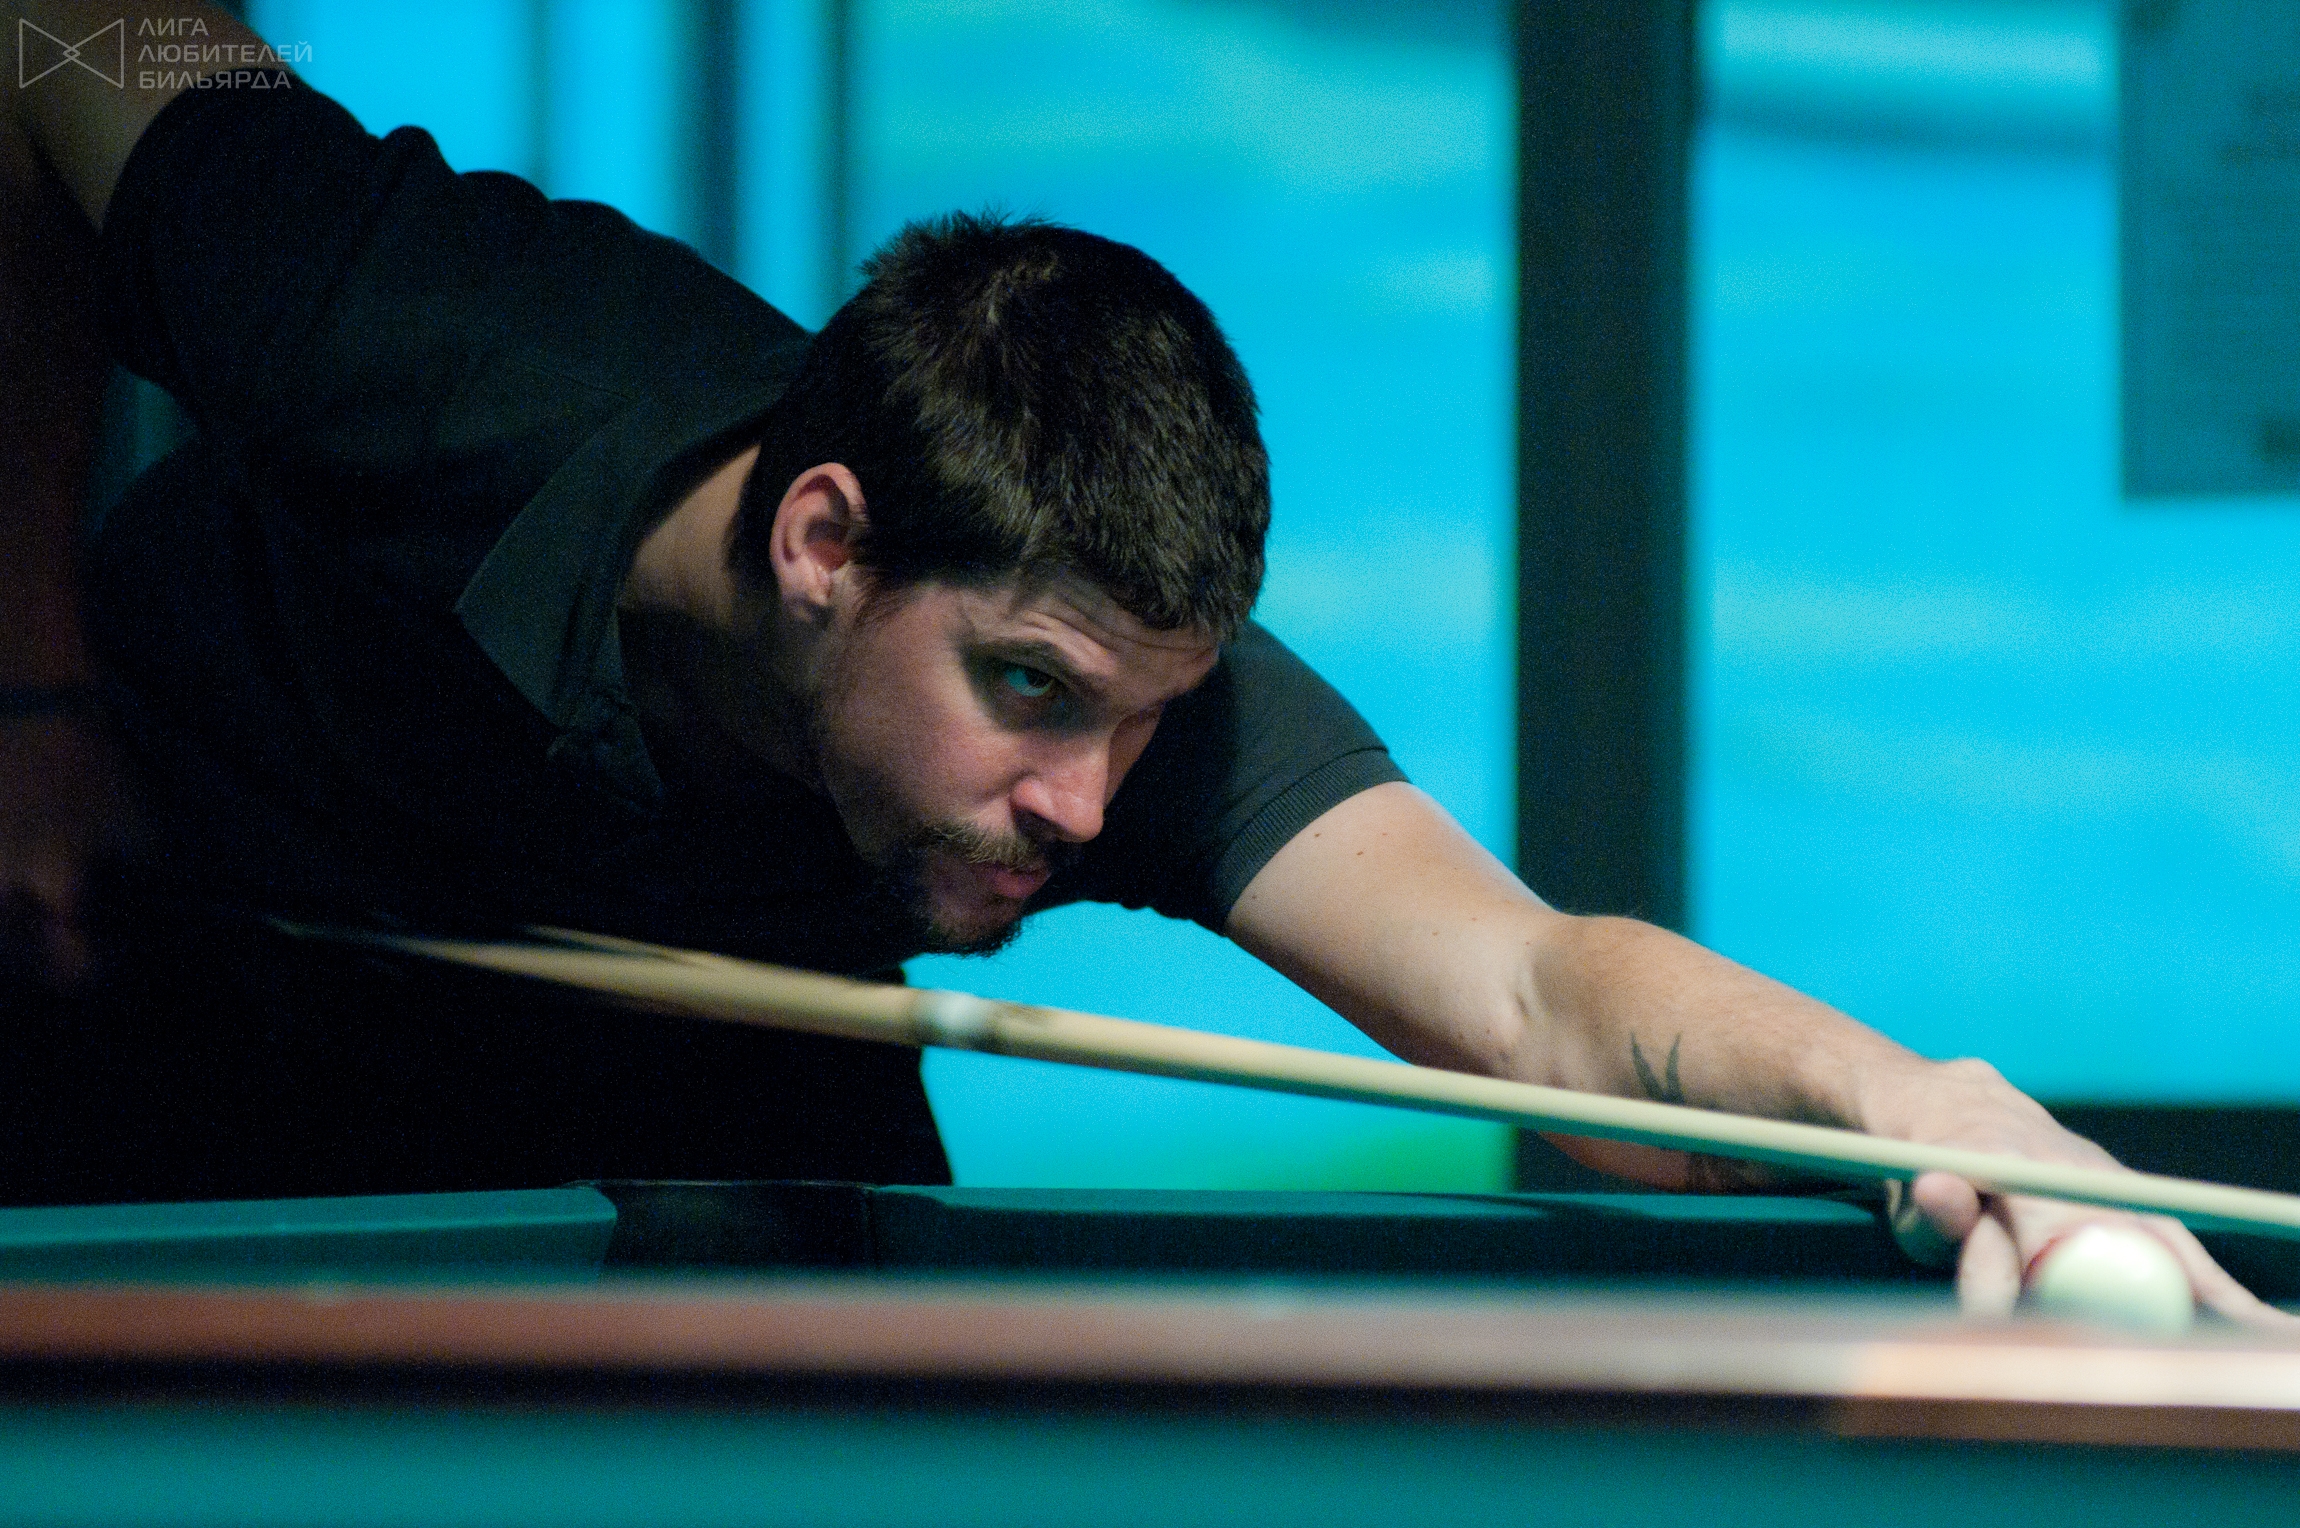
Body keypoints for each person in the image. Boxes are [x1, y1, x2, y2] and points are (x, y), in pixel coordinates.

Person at [0, 0, 2277, 1319]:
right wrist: (31, 696)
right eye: (1027, 693)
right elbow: (56, 27)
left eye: (1143, 720)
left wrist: (1909, 1100)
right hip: (157, 908)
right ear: (822, 544)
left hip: (693, 1066)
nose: (1088, 807)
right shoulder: (403, 322)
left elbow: (1535, 992)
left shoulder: (1120, 702)